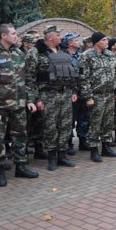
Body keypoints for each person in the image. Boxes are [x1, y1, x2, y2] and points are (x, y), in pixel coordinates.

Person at [0, 24, 39, 187]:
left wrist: (30, 100)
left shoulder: (18, 53)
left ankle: (21, 166)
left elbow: (27, 80)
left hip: (19, 104)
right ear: (3, 36)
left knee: (20, 136)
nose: (16, 36)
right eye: (13, 33)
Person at [26, 26, 78, 171]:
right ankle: (52, 157)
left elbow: (70, 73)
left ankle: (62, 155)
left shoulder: (63, 51)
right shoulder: (35, 53)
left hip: (65, 93)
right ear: (50, 38)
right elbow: (30, 79)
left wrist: (73, 90)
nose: (60, 37)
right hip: (47, 95)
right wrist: (36, 99)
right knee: (50, 127)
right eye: (57, 35)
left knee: (65, 125)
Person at [78, 32, 116, 162]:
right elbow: (83, 78)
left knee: (108, 122)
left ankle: (106, 147)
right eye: (104, 39)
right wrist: (88, 97)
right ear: (96, 42)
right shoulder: (86, 56)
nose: (106, 41)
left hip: (109, 94)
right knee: (95, 123)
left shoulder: (110, 55)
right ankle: (94, 149)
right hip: (96, 95)